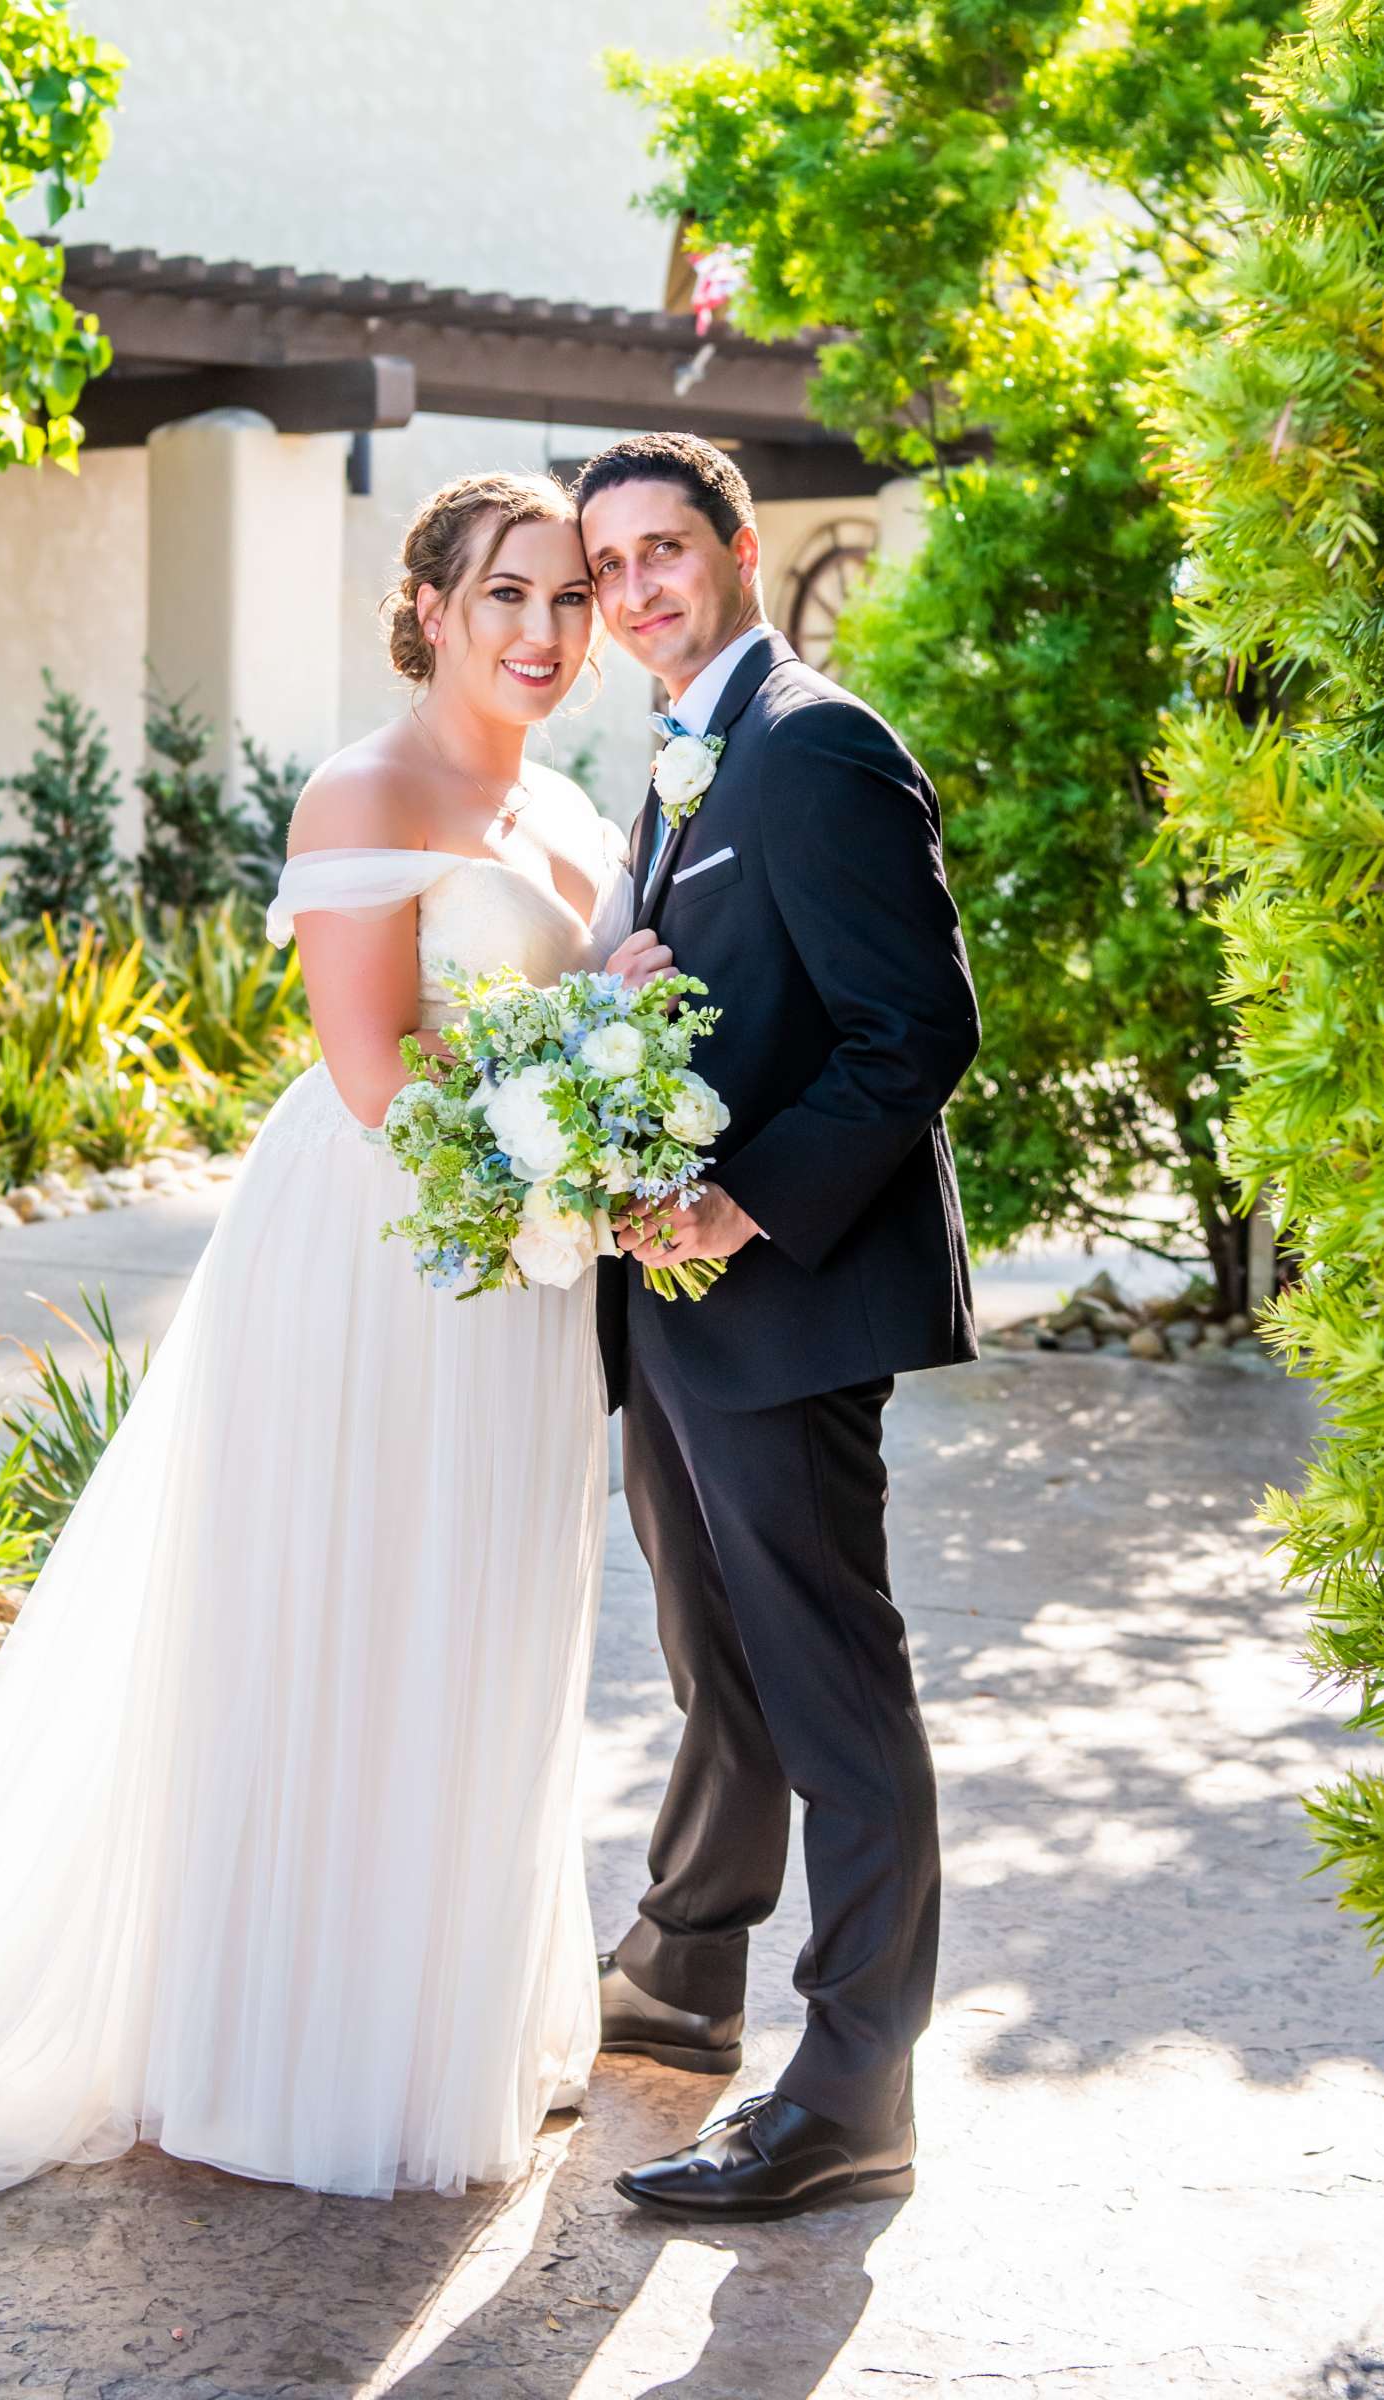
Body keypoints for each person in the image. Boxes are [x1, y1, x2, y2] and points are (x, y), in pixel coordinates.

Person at [0, 469, 664, 2251]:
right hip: (376, 1249)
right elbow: (372, 1072)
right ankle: (289, 2056)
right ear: (424, 604)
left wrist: (617, 1131)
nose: (542, 632)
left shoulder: (572, 802)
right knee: (340, 1610)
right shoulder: (367, 789)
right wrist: (570, 1165)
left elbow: (576, 1035)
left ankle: (448, 2019)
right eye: (504, 593)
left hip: (529, 1271)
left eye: (570, 600)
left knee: (486, 1615)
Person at [578, 431, 980, 2223]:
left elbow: (917, 1032)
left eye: (665, 549)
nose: (637, 589)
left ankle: (848, 2096)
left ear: (737, 547)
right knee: (716, 1668)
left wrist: (739, 1201)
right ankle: (686, 1971)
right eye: (607, 570)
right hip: (671, 1308)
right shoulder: (680, 762)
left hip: (787, 1300)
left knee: (831, 1692)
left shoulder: (815, 743)